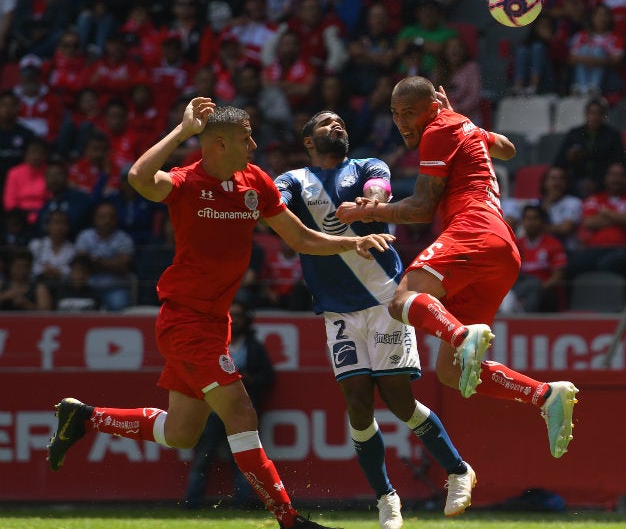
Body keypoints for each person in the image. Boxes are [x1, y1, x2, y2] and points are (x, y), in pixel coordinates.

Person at [46, 97, 395, 529]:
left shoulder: (256, 181)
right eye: (245, 138)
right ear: (217, 143)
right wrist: (181, 131)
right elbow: (138, 178)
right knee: (242, 413)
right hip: (185, 321)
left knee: (180, 433)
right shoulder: (187, 182)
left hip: (215, 321)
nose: (253, 144)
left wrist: (350, 243)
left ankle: (84, 417)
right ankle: (289, 520)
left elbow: (301, 238)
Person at [336, 76, 579, 460]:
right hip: (501, 250)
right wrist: (456, 116)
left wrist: (370, 210)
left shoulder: (437, 130)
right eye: (396, 114)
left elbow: (420, 209)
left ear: (430, 108)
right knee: (451, 373)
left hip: (474, 230)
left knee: (401, 301)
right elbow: (509, 149)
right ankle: (545, 395)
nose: (401, 123)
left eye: (410, 113)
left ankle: (462, 335)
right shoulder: (458, 124)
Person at [276, 110, 477, 528]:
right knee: (358, 405)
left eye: (342, 122)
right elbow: (269, 203)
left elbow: (378, 185)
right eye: (326, 122)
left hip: (385, 299)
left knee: (400, 402)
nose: (338, 125)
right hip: (337, 310)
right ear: (308, 140)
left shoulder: (367, 165)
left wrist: (373, 200)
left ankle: (458, 470)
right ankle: (386, 497)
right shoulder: (294, 180)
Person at [184, 300, 273, 510]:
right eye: (231, 316)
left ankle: (244, 504)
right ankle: (191, 503)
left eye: (239, 315)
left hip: (241, 413)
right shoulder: (211, 345)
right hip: (212, 413)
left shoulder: (254, 348)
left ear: (247, 319)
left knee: (243, 461)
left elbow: (268, 378)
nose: (235, 320)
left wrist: (250, 380)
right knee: (202, 459)